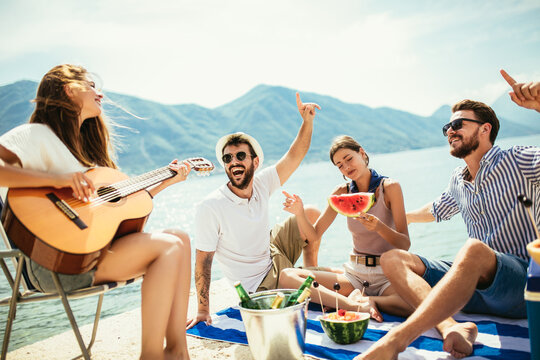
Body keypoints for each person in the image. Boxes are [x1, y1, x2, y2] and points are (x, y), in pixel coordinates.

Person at [0, 64, 192, 360]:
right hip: (51, 262)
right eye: (91, 86)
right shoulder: (34, 135)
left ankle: (177, 351)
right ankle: (153, 356)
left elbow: (119, 208)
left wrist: (166, 181)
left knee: (180, 236)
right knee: (168, 246)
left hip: (90, 252)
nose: (99, 93)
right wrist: (58, 179)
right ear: (68, 89)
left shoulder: (87, 153)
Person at [356, 71, 539, 360]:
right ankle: (451, 325)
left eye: (457, 124)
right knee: (393, 258)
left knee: (474, 250)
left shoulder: (518, 159)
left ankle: (396, 342)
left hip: (521, 286)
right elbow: (434, 210)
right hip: (477, 291)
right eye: (447, 127)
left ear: (485, 129)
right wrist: (391, 214)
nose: (450, 131)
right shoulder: (458, 178)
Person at [186, 93, 321, 329]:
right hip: (260, 284)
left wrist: (307, 121)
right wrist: (202, 310)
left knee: (309, 212)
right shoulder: (211, 206)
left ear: (255, 162)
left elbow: (295, 155)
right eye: (227, 158)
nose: (233, 162)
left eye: (240, 156)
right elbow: (203, 260)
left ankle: (311, 270)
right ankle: (321, 287)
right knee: (304, 281)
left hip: (273, 252)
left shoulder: (261, 183)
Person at [278, 135, 412, 321]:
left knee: (413, 304)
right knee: (286, 276)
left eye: (349, 159)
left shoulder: (390, 187)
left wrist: (379, 227)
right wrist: (299, 212)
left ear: (362, 153)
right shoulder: (341, 192)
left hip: (387, 273)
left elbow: (405, 244)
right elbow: (314, 235)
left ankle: (365, 299)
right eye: (340, 165)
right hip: (355, 274)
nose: (347, 167)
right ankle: (354, 304)